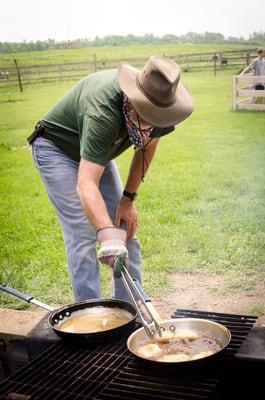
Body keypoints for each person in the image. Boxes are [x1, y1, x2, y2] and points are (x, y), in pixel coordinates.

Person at [27, 56, 194, 303]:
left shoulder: (162, 110)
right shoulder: (102, 111)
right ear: (134, 99)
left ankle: (130, 308)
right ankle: (90, 314)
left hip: (97, 155)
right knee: (83, 230)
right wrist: (106, 235)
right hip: (57, 149)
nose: (154, 122)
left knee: (124, 228)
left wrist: (127, 200)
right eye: (149, 114)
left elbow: (147, 149)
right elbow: (86, 184)